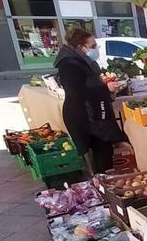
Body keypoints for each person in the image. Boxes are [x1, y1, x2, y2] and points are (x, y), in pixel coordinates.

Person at [54, 28, 127, 173]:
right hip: (85, 118)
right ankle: (102, 186)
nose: (96, 49)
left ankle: (105, 183)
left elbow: (90, 85)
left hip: (93, 115)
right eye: (93, 46)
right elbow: (76, 92)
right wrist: (105, 89)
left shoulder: (82, 61)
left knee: (104, 154)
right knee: (98, 159)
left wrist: (106, 93)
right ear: (81, 47)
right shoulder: (69, 65)